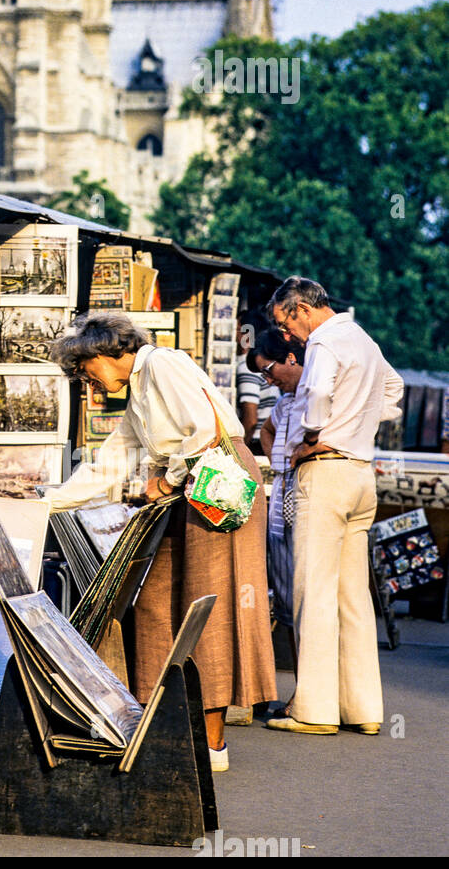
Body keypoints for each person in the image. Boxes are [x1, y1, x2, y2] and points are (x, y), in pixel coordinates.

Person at [44, 312, 276, 772]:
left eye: (85, 369)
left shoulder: (162, 364)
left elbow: (206, 432)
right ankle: (155, 724)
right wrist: (50, 502)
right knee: (152, 604)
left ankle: (211, 745)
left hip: (217, 485)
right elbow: (110, 463)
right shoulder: (138, 391)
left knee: (206, 607)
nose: (86, 381)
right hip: (188, 487)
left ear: (105, 352)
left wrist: (167, 481)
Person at [266, 277, 403, 736]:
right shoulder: (362, 338)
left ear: (302, 309)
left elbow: (319, 394)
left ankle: (315, 710)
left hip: (324, 474)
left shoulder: (324, 341)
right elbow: (394, 390)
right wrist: (356, 426)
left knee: (314, 593)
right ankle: (363, 708)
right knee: (353, 598)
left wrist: (312, 436)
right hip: (360, 475)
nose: (288, 337)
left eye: (285, 323)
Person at [247, 328, 307, 631]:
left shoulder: (316, 397)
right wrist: (279, 463)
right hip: (283, 495)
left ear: (292, 358)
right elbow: (266, 431)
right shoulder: (285, 404)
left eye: (269, 371)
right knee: (283, 567)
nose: (268, 381)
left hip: (308, 495)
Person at [236, 310, 279, 455]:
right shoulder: (264, 364)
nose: (234, 335)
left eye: (237, 329)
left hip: (256, 443)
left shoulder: (247, 368)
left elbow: (251, 420)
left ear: (246, 334)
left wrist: (241, 453)